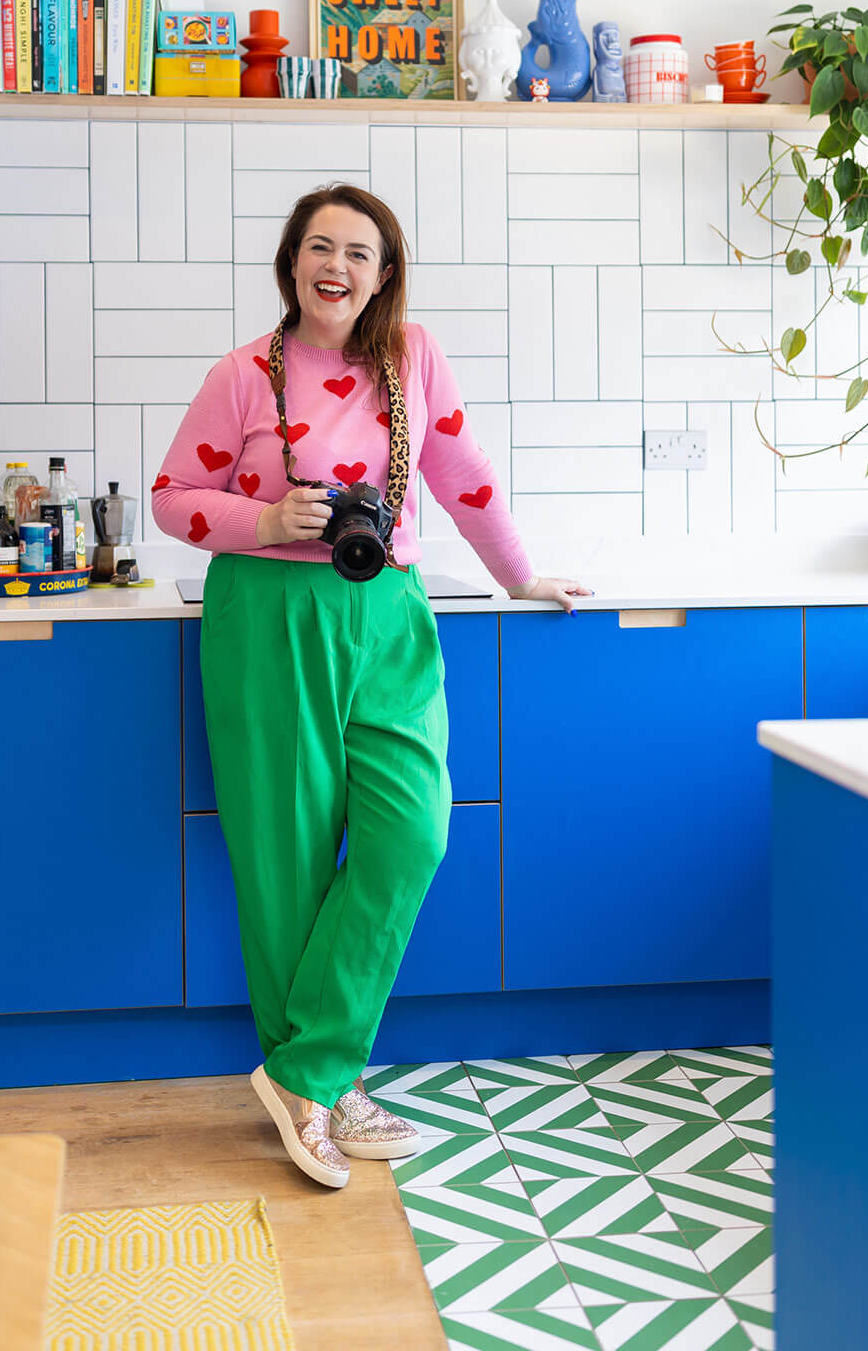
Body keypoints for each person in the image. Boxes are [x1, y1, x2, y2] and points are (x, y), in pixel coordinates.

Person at [152, 182, 590, 1188]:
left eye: (358, 250)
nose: (335, 265)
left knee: (413, 828)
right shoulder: (242, 376)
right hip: (269, 613)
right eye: (318, 245)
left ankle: (303, 1068)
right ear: (291, 261)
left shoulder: (412, 360)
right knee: (286, 859)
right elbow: (175, 499)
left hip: (387, 610)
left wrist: (519, 575)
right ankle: (328, 1090)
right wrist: (264, 521)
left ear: (385, 273)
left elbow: (464, 474)